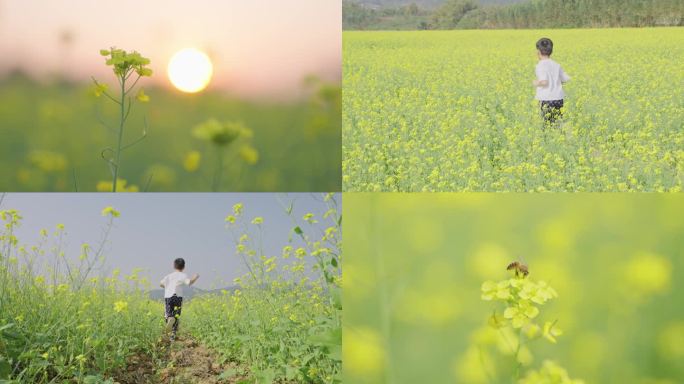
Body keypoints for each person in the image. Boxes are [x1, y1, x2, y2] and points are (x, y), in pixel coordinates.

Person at [160, 258, 199, 341]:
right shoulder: (183, 275)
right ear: (183, 267)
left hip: (168, 296)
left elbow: (161, 284)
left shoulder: (168, 276)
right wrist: (195, 277)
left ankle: (169, 321)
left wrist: (167, 286)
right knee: (176, 315)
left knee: (168, 314)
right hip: (178, 297)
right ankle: (173, 334)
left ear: (174, 266)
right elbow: (189, 282)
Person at [533, 38, 570, 126]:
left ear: (538, 51)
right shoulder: (556, 64)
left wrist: (536, 83)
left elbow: (544, 82)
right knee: (558, 123)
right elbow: (565, 79)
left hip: (546, 99)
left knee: (546, 125)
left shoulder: (541, 65)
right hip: (558, 99)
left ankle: (549, 138)